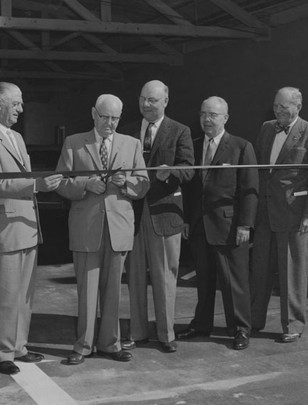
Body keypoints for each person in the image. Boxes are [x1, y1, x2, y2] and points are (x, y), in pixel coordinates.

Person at [0, 82, 62, 375]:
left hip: (25, 224)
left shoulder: (17, 139)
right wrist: (37, 184)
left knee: (23, 293)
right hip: (3, 228)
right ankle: (0, 352)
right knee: (3, 294)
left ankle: (18, 346)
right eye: (16, 104)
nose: (21, 110)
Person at [55, 94, 149, 365]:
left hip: (118, 227)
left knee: (113, 291)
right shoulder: (74, 142)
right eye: (105, 117)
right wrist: (85, 184)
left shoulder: (132, 144)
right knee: (87, 290)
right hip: (87, 227)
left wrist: (125, 183)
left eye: (116, 118)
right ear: (93, 114)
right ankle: (83, 346)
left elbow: (143, 184)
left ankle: (110, 343)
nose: (110, 123)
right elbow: (61, 181)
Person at [177, 96, 258, 350]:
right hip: (200, 225)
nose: (207, 119)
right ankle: (201, 324)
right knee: (204, 280)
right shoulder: (194, 145)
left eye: (213, 115)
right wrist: (187, 220)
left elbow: (250, 189)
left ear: (225, 118)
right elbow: (190, 188)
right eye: (203, 114)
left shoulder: (241, 147)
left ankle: (241, 329)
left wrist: (245, 225)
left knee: (234, 282)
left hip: (230, 226)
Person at [250, 87, 308, 343]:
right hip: (264, 213)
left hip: (295, 215)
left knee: (292, 273)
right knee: (260, 269)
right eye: (275, 106)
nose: (278, 111)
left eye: (284, 107)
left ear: (298, 106)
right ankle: (253, 320)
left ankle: (292, 325)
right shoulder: (266, 128)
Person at [123, 80, 194, 353]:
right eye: (142, 99)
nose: (146, 105)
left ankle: (166, 335)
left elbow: (190, 170)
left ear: (165, 101)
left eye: (152, 100)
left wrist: (172, 171)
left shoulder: (180, 131)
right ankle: (138, 332)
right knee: (135, 276)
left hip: (165, 215)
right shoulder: (127, 131)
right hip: (133, 215)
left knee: (165, 277)